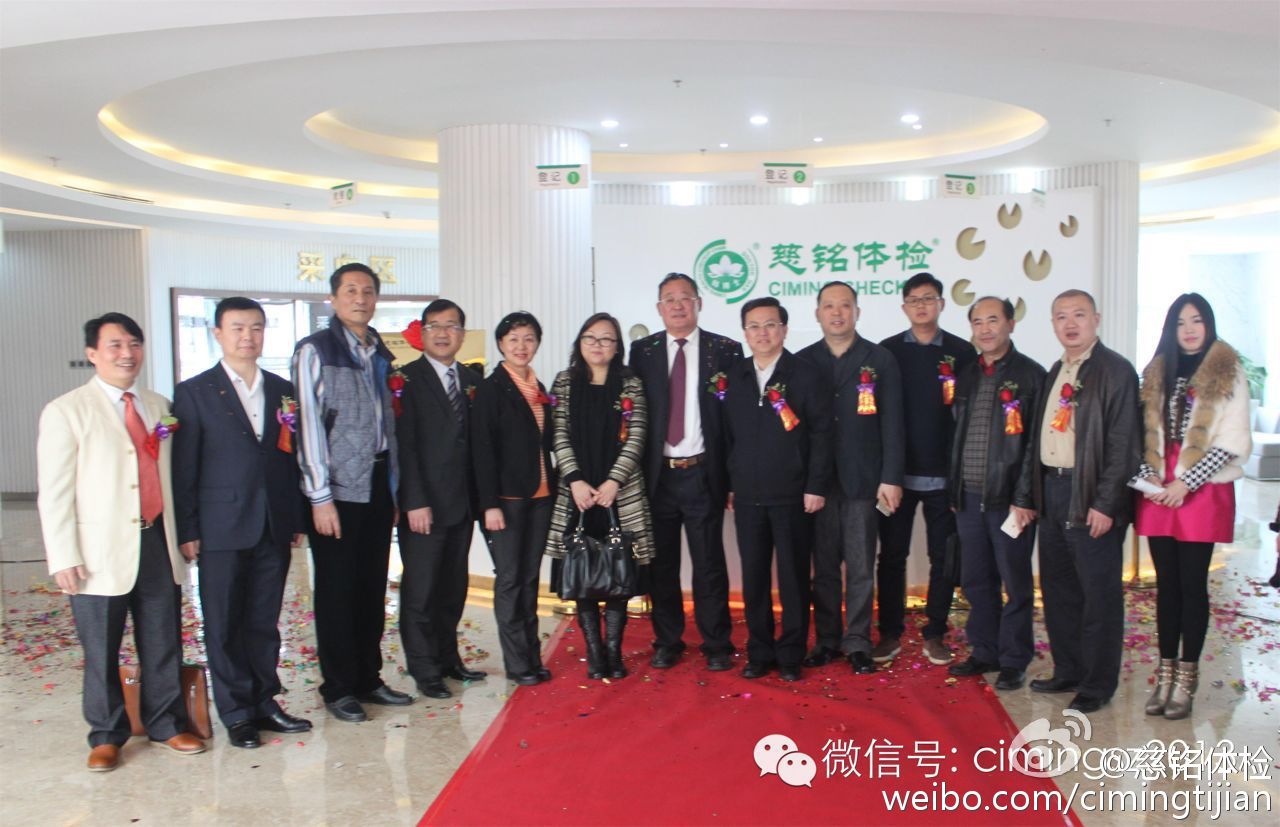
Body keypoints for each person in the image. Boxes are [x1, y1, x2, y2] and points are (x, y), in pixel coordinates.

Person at [37, 312, 206, 771]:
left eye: (134, 344)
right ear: (92, 353)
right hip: (97, 552)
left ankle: (166, 724)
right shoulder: (66, 410)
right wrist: (63, 555)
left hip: (156, 542)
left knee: (162, 641)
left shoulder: (158, 404)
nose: (126, 353)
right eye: (115, 345)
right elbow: (54, 491)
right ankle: (106, 735)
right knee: (101, 648)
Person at [171, 297, 311, 749]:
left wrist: (293, 515)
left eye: (256, 328)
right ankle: (236, 713)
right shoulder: (194, 392)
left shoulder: (282, 389)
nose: (247, 337)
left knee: (264, 620)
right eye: (237, 328)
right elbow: (184, 468)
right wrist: (189, 529)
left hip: (272, 522)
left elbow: (290, 459)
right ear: (218, 334)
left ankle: (265, 702)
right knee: (224, 621)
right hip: (220, 526)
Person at [292, 263, 411, 722]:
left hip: (377, 482)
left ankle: (367, 677)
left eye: (367, 291)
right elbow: (308, 427)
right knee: (337, 590)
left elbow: (388, 426)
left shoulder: (379, 350)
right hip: (337, 490)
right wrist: (319, 496)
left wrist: (393, 490)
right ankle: (338, 686)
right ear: (334, 298)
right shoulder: (315, 350)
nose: (360, 299)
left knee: (370, 586)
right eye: (350, 291)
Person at [1134, 294, 1251, 720]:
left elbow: (1232, 440)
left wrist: (1187, 482)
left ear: (1209, 324)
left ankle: (1187, 678)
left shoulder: (1228, 370)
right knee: (1166, 585)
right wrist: (1148, 477)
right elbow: (1138, 431)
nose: (1189, 329)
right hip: (1158, 486)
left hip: (1202, 488)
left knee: (1191, 584)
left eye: (1197, 320)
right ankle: (1165, 674)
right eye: (1181, 322)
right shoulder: (1156, 371)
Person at [1028, 289, 1140, 713]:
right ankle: (1069, 670)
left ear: (1097, 319)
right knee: (1059, 590)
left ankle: (1097, 683)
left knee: (1098, 595)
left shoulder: (1116, 371)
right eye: (1061, 316)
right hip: (1053, 490)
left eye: (1078, 314)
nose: (1070, 323)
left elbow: (1123, 444)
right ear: (1053, 324)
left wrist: (1106, 503)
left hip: (1090, 493)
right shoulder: (1057, 369)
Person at [628, 273, 741, 671]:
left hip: (702, 472)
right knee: (662, 564)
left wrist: (731, 479)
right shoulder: (642, 352)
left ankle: (716, 643)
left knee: (709, 563)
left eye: (685, 298)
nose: (677, 305)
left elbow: (734, 421)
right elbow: (633, 414)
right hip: (658, 476)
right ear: (659, 308)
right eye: (669, 299)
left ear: (699, 303)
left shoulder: (724, 350)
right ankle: (668, 640)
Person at [797, 283, 902, 675]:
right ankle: (827, 639)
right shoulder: (803, 361)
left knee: (860, 565)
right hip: (819, 483)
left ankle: (857, 641)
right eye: (829, 306)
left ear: (857, 311)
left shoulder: (880, 359)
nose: (837, 313)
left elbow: (893, 422)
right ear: (818, 313)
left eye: (845, 305)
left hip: (864, 479)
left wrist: (891, 477)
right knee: (824, 567)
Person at [726, 297, 833, 681]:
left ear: (784, 330)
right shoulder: (735, 376)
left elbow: (822, 434)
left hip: (793, 495)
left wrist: (815, 485)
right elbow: (727, 436)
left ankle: (790, 653)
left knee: (793, 579)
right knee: (753, 579)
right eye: (754, 326)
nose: (762, 333)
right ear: (745, 333)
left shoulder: (804, 374)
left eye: (770, 324)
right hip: (747, 496)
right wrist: (730, 484)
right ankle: (759, 652)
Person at [545, 313, 655, 680]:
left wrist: (614, 482)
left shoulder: (630, 384)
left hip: (619, 493)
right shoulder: (564, 382)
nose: (598, 345)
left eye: (606, 339)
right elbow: (558, 434)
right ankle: (594, 652)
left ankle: (613, 652)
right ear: (579, 342)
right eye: (590, 337)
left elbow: (637, 435)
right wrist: (575, 480)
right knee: (582, 573)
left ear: (617, 346)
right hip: (576, 493)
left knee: (620, 573)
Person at [946, 297, 1046, 691]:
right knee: (976, 581)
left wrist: (1024, 498)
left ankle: (1014, 659)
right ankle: (984, 650)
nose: (985, 329)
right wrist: (954, 489)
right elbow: (956, 436)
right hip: (969, 498)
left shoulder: (1031, 375)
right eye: (977, 322)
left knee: (1015, 584)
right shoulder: (967, 374)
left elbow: (1035, 445)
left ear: (1011, 324)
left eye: (993, 320)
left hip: (1009, 502)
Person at [877, 272, 976, 666]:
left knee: (943, 557)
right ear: (904, 307)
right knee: (891, 556)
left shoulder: (961, 352)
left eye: (928, 298)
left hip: (944, 476)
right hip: (896, 478)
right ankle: (889, 632)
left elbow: (968, 419)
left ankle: (935, 631)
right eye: (914, 300)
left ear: (941, 304)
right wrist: (885, 474)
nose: (921, 305)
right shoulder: (887, 353)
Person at [395, 299, 486, 700]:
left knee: (453, 587)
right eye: (435, 326)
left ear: (462, 334)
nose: (444, 333)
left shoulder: (472, 379)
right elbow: (405, 445)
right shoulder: (404, 380)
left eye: (452, 326)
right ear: (423, 332)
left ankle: (449, 659)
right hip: (424, 505)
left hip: (461, 503)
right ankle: (424, 669)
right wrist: (414, 501)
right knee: (422, 591)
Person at [471, 312, 557, 686]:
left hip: (541, 495)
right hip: (506, 500)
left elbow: (545, 441)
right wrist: (489, 504)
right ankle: (518, 663)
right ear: (501, 344)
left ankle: (532, 657)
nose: (522, 346)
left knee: (529, 578)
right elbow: (482, 450)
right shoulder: (491, 389)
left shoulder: (539, 386)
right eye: (514, 339)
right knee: (509, 579)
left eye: (529, 338)